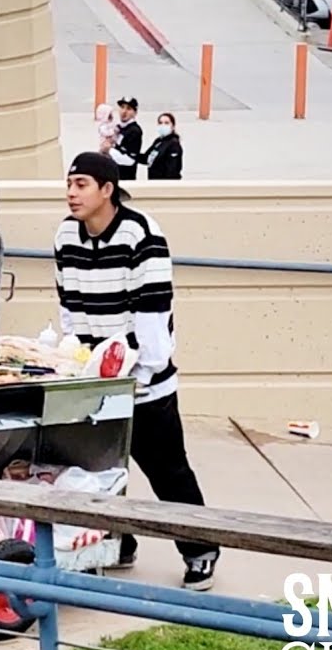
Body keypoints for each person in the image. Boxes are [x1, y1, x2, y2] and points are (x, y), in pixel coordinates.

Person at [54, 152, 220, 591]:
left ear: (107, 189)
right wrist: (79, 363)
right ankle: (117, 542)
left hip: (146, 383)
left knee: (168, 471)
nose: (71, 193)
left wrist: (140, 375)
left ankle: (201, 550)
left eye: (82, 184)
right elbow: (69, 307)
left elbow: (152, 317)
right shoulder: (65, 234)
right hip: (95, 379)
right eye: (69, 183)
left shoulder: (142, 234)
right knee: (94, 470)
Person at [104, 96, 143, 180]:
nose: (124, 111)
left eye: (128, 109)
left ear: (135, 112)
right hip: (113, 175)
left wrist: (109, 150)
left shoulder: (135, 131)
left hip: (126, 177)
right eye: (122, 107)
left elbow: (131, 160)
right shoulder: (118, 128)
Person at [139, 112, 183, 180]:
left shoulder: (173, 144)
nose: (163, 125)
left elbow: (172, 169)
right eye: (160, 123)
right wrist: (132, 154)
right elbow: (146, 158)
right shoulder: (158, 141)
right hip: (153, 180)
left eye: (166, 123)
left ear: (173, 126)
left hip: (164, 182)